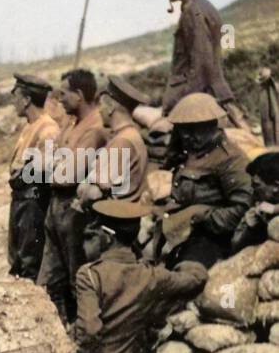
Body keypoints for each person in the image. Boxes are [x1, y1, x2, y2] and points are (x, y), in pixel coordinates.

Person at [74, 199, 207, 353]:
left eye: (94, 235)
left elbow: (89, 329)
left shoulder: (90, 274)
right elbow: (197, 278)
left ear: (107, 238)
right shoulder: (151, 276)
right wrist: (180, 264)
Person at [37, 68, 108, 320]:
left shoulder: (94, 129)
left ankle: (79, 338)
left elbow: (67, 175)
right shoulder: (72, 122)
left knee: (76, 278)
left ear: (79, 95)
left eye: (65, 94)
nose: (60, 99)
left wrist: (52, 165)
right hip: (56, 206)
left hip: (74, 211)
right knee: (48, 280)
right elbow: (51, 158)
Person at [164, 93, 252, 268]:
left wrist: (201, 217)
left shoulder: (230, 158)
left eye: (195, 129)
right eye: (183, 129)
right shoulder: (188, 153)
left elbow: (243, 209)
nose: (188, 136)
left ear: (212, 125)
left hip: (214, 239)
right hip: (182, 232)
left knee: (185, 276)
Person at [158, 0, 245, 127]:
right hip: (206, 97)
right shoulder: (202, 6)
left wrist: (184, 106)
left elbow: (201, 67)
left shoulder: (193, 11)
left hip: (198, 102)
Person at [6, 72, 60, 280]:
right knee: (16, 259)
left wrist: (21, 173)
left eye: (16, 96)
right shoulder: (31, 126)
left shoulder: (47, 129)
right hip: (21, 201)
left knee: (28, 262)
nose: (14, 102)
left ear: (27, 100)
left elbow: (41, 170)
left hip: (33, 202)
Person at [82, 76, 151, 205]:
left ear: (110, 107)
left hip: (114, 218)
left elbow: (97, 192)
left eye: (101, 105)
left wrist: (84, 190)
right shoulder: (130, 135)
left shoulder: (122, 141)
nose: (99, 111)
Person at [230, 147, 279, 252]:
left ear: (276, 186)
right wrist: (252, 226)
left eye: (257, 185)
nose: (253, 191)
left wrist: (274, 209)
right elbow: (236, 246)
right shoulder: (257, 209)